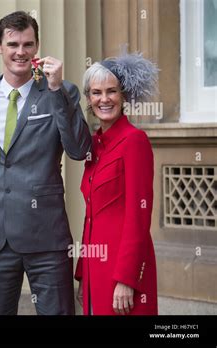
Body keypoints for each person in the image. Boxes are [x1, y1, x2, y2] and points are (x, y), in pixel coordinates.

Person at [0, 11, 92, 315]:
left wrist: (57, 91)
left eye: (28, 44)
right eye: (13, 44)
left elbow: (79, 149)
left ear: (37, 47)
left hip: (45, 234)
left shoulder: (62, 91)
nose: (21, 52)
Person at [75, 53, 159, 315]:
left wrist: (126, 279)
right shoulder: (95, 145)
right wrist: (82, 272)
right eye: (96, 92)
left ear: (124, 96)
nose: (104, 99)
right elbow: (91, 216)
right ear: (89, 99)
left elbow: (139, 216)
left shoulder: (135, 141)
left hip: (121, 272)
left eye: (112, 91)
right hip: (94, 270)